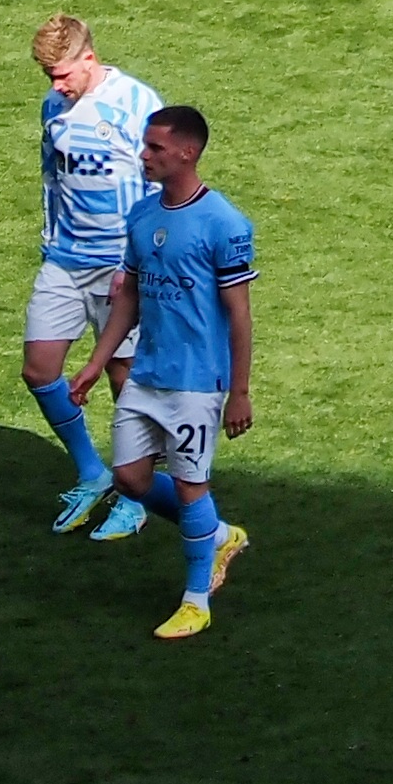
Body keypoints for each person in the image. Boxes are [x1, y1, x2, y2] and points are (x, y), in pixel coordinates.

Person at [82, 102, 254, 638]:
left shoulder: (223, 223)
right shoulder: (143, 216)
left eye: (155, 148)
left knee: (188, 489)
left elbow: (239, 313)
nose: (144, 156)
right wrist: (95, 363)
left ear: (188, 152)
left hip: (197, 383)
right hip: (146, 374)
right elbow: (129, 298)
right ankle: (219, 534)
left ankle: (196, 600)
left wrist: (239, 391)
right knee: (130, 479)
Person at [20, 13, 160, 536]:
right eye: (49, 78)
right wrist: (50, 239)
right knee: (39, 370)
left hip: (118, 266)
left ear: (89, 59)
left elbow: (159, 188)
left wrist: (139, 261)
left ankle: (135, 492)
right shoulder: (54, 106)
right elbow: (51, 177)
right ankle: (92, 471)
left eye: (63, 75)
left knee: (124, 379)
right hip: (65, 258)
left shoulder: (138, 105)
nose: (57, 87)